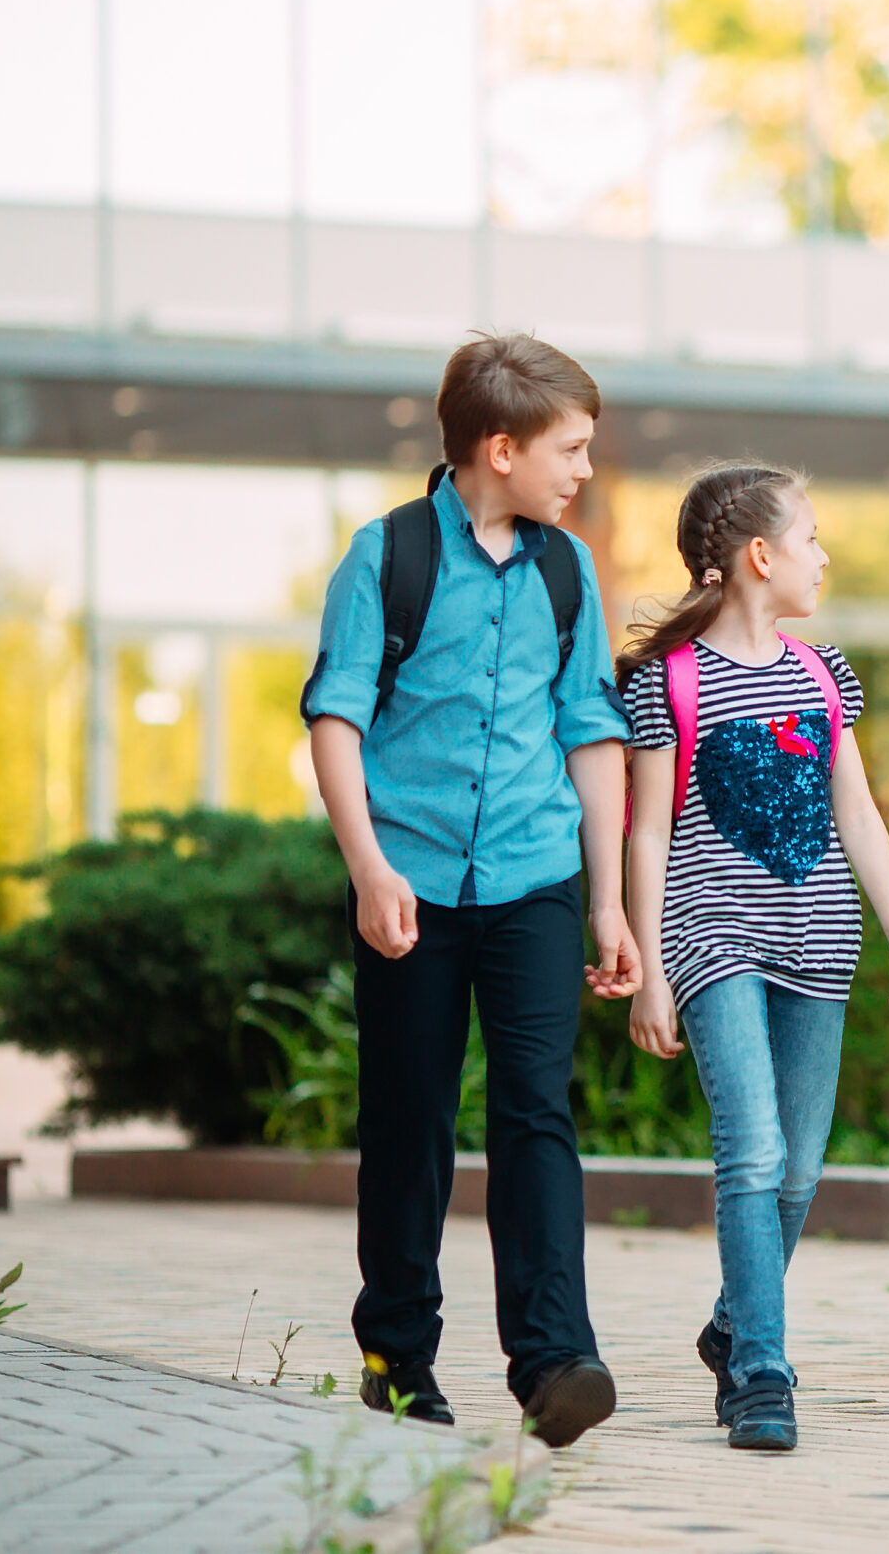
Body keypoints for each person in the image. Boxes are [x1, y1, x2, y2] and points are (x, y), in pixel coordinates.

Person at [301, 333, 633, 1447]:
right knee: (409, 1120)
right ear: (501, 448)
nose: (584, 469)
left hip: (535, 876)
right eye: (571, 450)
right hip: (413, 880)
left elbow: (590, 729)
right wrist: (368, 867)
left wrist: (607, 901)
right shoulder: (387, 554)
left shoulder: (565, 566)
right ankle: (398, 1356)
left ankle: (553, 1361)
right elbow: (337, 716)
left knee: (536, 1109)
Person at [618, 464, 889, 1453]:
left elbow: (859, 814)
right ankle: (761, 1370)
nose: (823, 556)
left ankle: (731, 1322)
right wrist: (653, 971)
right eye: (811, 538)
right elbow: (647, 837)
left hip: (818, 945)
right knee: (749, 1156)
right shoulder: (664, 680)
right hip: (714, 944)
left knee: (796, 1175)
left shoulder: (822, 672)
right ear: (761, 557)